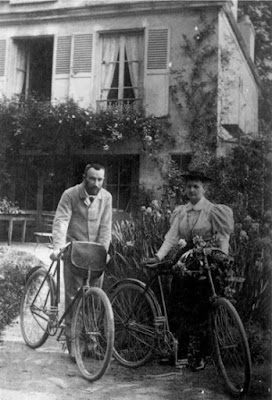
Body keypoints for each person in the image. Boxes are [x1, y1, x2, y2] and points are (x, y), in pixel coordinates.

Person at [146, 170, 234, 369]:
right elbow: (171, 237)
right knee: (180, 307)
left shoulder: (213, 211)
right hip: (185, 262)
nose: (192, 190)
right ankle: (180, 354)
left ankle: (200, 356)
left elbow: (223, 238)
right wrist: (159, 256)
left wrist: (222, 259)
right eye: (189, 187)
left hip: (207, 261)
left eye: (196, 186)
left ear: (204, 189)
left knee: (201, 309)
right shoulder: (182, 212)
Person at [50, 163, 112, 359]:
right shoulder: (70, 194)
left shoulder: (106, 198)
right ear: (84, 177)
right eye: (92, 178)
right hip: (74, 250)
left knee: (94, 298)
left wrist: (104, 251)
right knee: (74, 298)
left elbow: (105, 227)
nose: (96, 183)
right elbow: (61, 221)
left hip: (94, 253)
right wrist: (58, 247)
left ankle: (93, 345)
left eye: (100, 179)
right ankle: (74, 344)